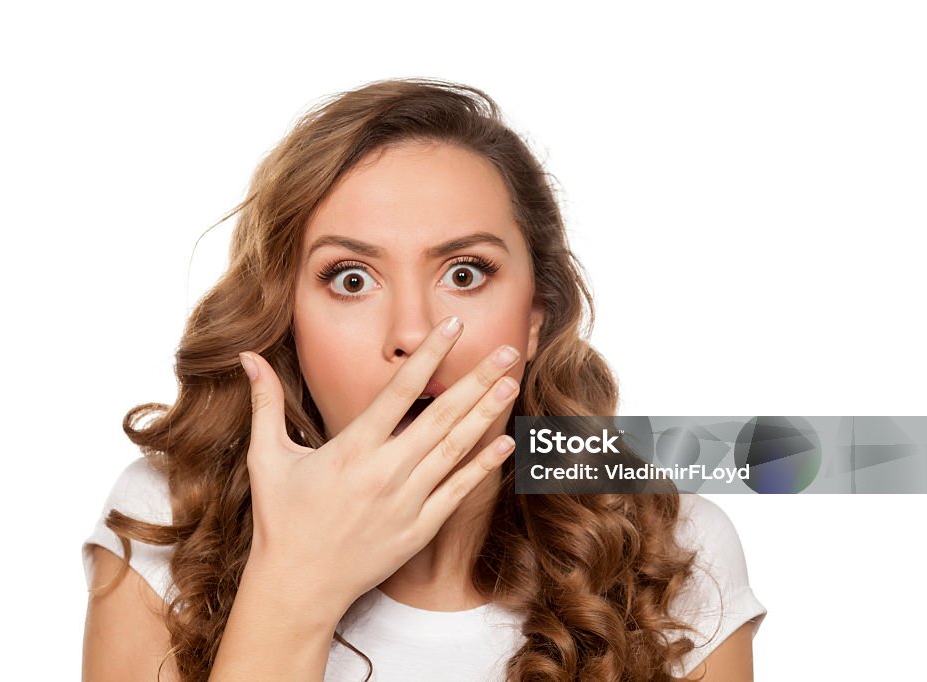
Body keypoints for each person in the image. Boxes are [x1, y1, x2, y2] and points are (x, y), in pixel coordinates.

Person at [81, 78, 766, 681]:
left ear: (535, 318)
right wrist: (293, 589)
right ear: (286, 319)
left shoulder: (677, 551)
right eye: (351, 279)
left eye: (465, 273)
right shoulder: (167, 520)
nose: (413, 334)